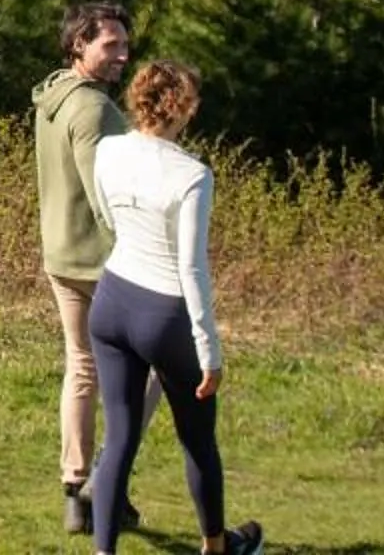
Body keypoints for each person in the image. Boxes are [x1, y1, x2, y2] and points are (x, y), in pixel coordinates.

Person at [86, 60, 262, 555]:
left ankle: (103, 551)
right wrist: (210, 350)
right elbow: (192, 270)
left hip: (113, 297)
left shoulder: (108, 149)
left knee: (119, 436)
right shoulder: (193, 175)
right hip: (162, 313)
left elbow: (107, 212)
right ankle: (216, 545)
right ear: (183, 106)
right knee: (198, 439)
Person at [33, 0, 134, 535]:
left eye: (124, 43)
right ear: (79, 45)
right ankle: (105, 476)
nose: (123, 54)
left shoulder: (53, 96)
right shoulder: (93, 109)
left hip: (61, 253)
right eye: (109, 44)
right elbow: (105, 194)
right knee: (157, 371)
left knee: (82, 367)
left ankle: (77, 489)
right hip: (102, 262)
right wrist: (139, 250)